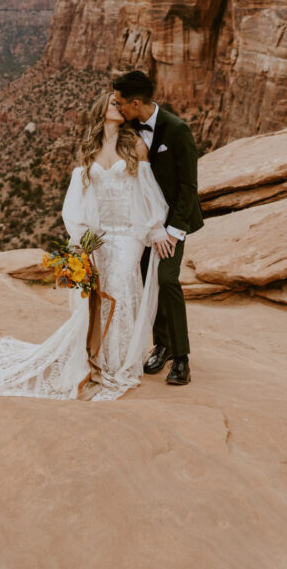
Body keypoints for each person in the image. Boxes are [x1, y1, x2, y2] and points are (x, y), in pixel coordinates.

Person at [0, 91, 170, 402]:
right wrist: (80, 242)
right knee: (99, 294)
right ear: (100, 111)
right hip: (99, 236)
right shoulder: (89, 149)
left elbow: (146, 190)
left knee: (119, 286)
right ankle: (96, 358)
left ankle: (118, 363)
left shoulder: (134, 145)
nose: (119, 106)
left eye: (122, 103)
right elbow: (77, 199)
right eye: (113, 102)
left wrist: (155, 229)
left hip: (129, 233)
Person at [112, 70, 204, 386]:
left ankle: (181, 359)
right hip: (141, 222)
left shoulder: (177, 130)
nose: (118, 107)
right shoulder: (128, 127)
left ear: (136, 103)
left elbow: (189, 186)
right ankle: (161, 344)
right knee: (146, 281)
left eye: (121, 103)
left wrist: (175, 232)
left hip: (172, 223)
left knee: (166, 281)